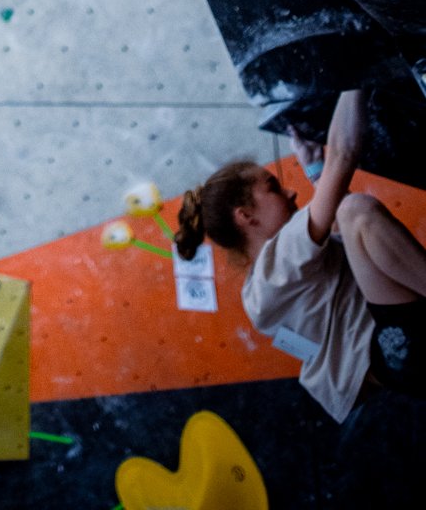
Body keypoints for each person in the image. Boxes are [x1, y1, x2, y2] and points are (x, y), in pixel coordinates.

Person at [175, 92, 426, 419]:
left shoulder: (268, 284)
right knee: (355, 211)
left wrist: (316, 168)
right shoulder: (275, 268)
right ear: (246, 216)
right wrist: (353, 82)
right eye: (273, 187)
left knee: (352, 216)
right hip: (398, 347)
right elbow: (344, 158)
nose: (291, 192)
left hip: (399, 353)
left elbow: (353, 235)